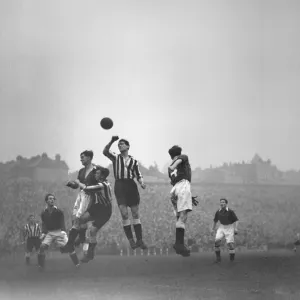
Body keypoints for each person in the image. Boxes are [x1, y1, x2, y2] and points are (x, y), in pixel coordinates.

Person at [103, 136, 147, 250]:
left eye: (122, 144)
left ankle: (140, 240)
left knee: (135, 213)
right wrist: (112, 140)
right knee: (124, 214)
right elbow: (105, 152)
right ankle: (131, 240)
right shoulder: (115, 157)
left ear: (127, 146)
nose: (120, 145)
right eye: (119, 144)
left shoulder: (133, 161)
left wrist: (141, 182)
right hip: (120, 186)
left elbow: (138, 174)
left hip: (131, 185)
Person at [62, 150, 98, 252]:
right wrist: (71, 184)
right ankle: (81, 238)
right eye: (80, 157)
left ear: (89, 158)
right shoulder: (81, 171)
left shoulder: (96, 170)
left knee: (78, 219)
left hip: (90, 197)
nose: (80, 159)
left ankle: (70, 244)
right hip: (81, 196)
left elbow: (99, 185)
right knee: (75, 219)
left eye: (83, 157)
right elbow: (77, 184)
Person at [79, 165, 113, 263]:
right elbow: (89, 178)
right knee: (82, 219)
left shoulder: (102, 185)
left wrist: (78, 183)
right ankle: (81, 239)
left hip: (105, 211)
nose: (95, 174)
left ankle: (90, 254)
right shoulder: (100, 182)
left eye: (97, 173)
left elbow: (86, 188)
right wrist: (94, 169)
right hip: (97, 206)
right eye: (96, 172)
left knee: (92, 231)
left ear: (102, 176)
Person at [168, 145, 197, 257]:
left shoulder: (169, 167)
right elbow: (179, 161)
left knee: (179, 217)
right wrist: (175, 164)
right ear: (179, 153)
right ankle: (179, 244)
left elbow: (175, 180)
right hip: (183, 186)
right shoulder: (183, 157)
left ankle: (179, 244)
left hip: (174, 190)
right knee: (183, 216)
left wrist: (189, 196)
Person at [38, 193, 80, 270]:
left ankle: (77, 264)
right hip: (50, 233)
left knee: (70, 248)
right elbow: (44, 223)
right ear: (46, 201)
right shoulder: (43, 213)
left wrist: (63, 231)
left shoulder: (58, 211)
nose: (52, 200)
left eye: (53, 199)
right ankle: (40, 266)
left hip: (59, 232)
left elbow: (62, 221)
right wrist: (43, 233)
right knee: (42, 247)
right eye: (50, 199)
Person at [211, 198, 239, 262]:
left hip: (229, 227)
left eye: (223, 202)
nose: (222, 203)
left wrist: (236, 228)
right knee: (217, 241)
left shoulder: (230, 211)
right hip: (221, 227)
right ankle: (218, 258)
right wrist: (213, 229)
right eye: (221, 202)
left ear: (226, 204)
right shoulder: (218, 211)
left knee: (230, 245)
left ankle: (232, 260)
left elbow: (236, 220)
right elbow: (215, 221)